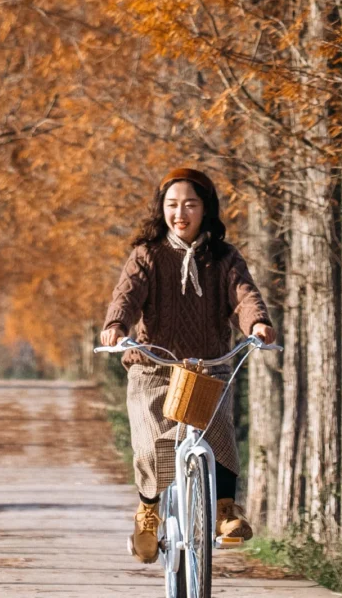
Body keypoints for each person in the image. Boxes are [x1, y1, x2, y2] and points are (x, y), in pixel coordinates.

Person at [100, 167, 276, 563]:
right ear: (161, 208)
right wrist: (116, 326)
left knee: (220, 435)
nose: (180, 214)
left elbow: (244, 295)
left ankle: (225, 511)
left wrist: (257, 323)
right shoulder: (147, 254)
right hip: (152, 368)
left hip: (207, 367)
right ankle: (148, 513)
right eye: (172, 205)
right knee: (150, 443)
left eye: (190, 205)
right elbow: (126, 296)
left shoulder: (224, 257)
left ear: (205, 209)